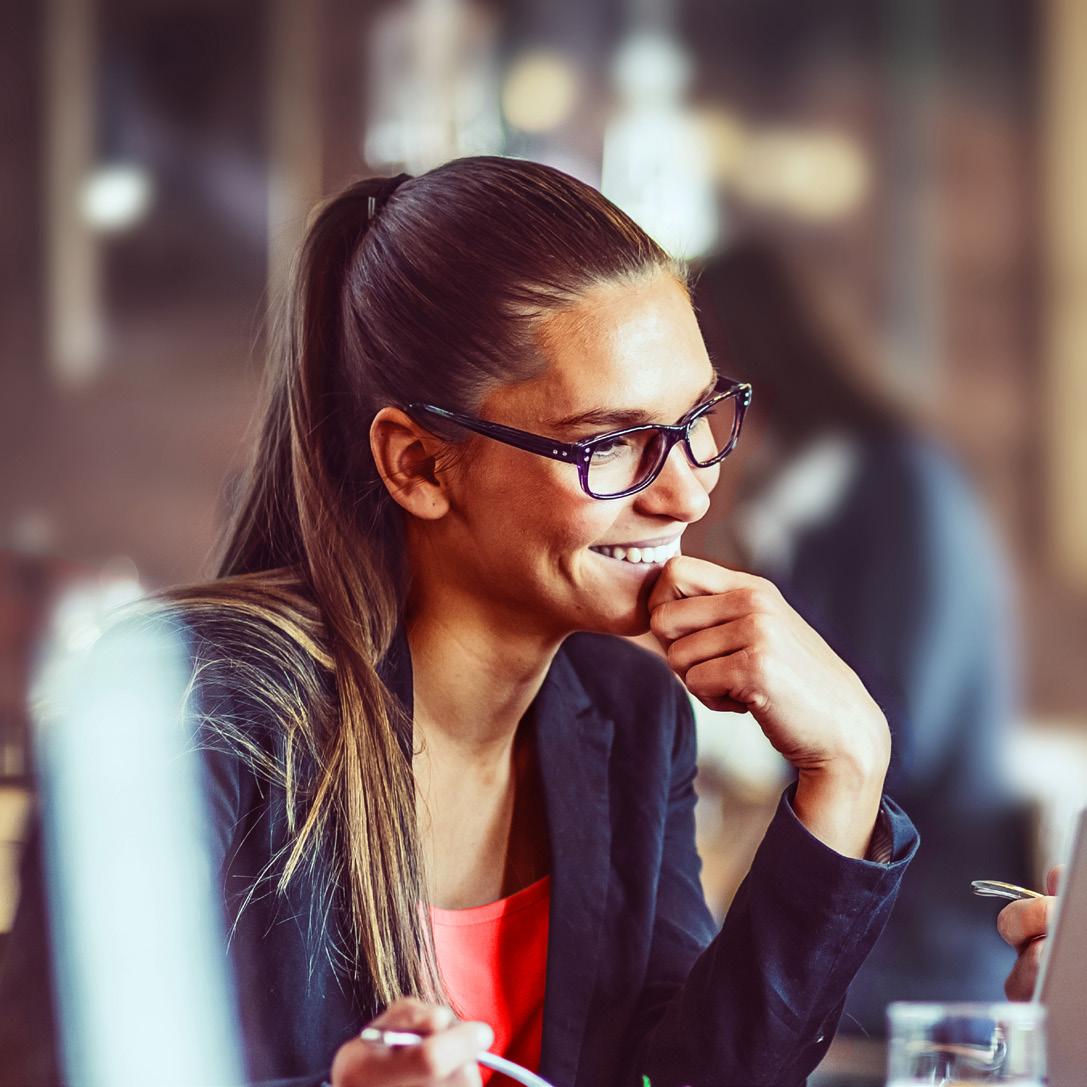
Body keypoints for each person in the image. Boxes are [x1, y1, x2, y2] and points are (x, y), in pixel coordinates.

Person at [0, 158, 917, 1087]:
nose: (686, 493)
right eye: (610, 443)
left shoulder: (629, 715)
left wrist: (846, 770)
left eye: (698, 418)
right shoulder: (182, 703)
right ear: (419, 466)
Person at [694, 242, 1030, 1035]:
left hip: (927, 940)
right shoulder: (808, 507)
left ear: (742, 369)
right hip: (867, 923)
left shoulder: (903, 486)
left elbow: (899, 734)